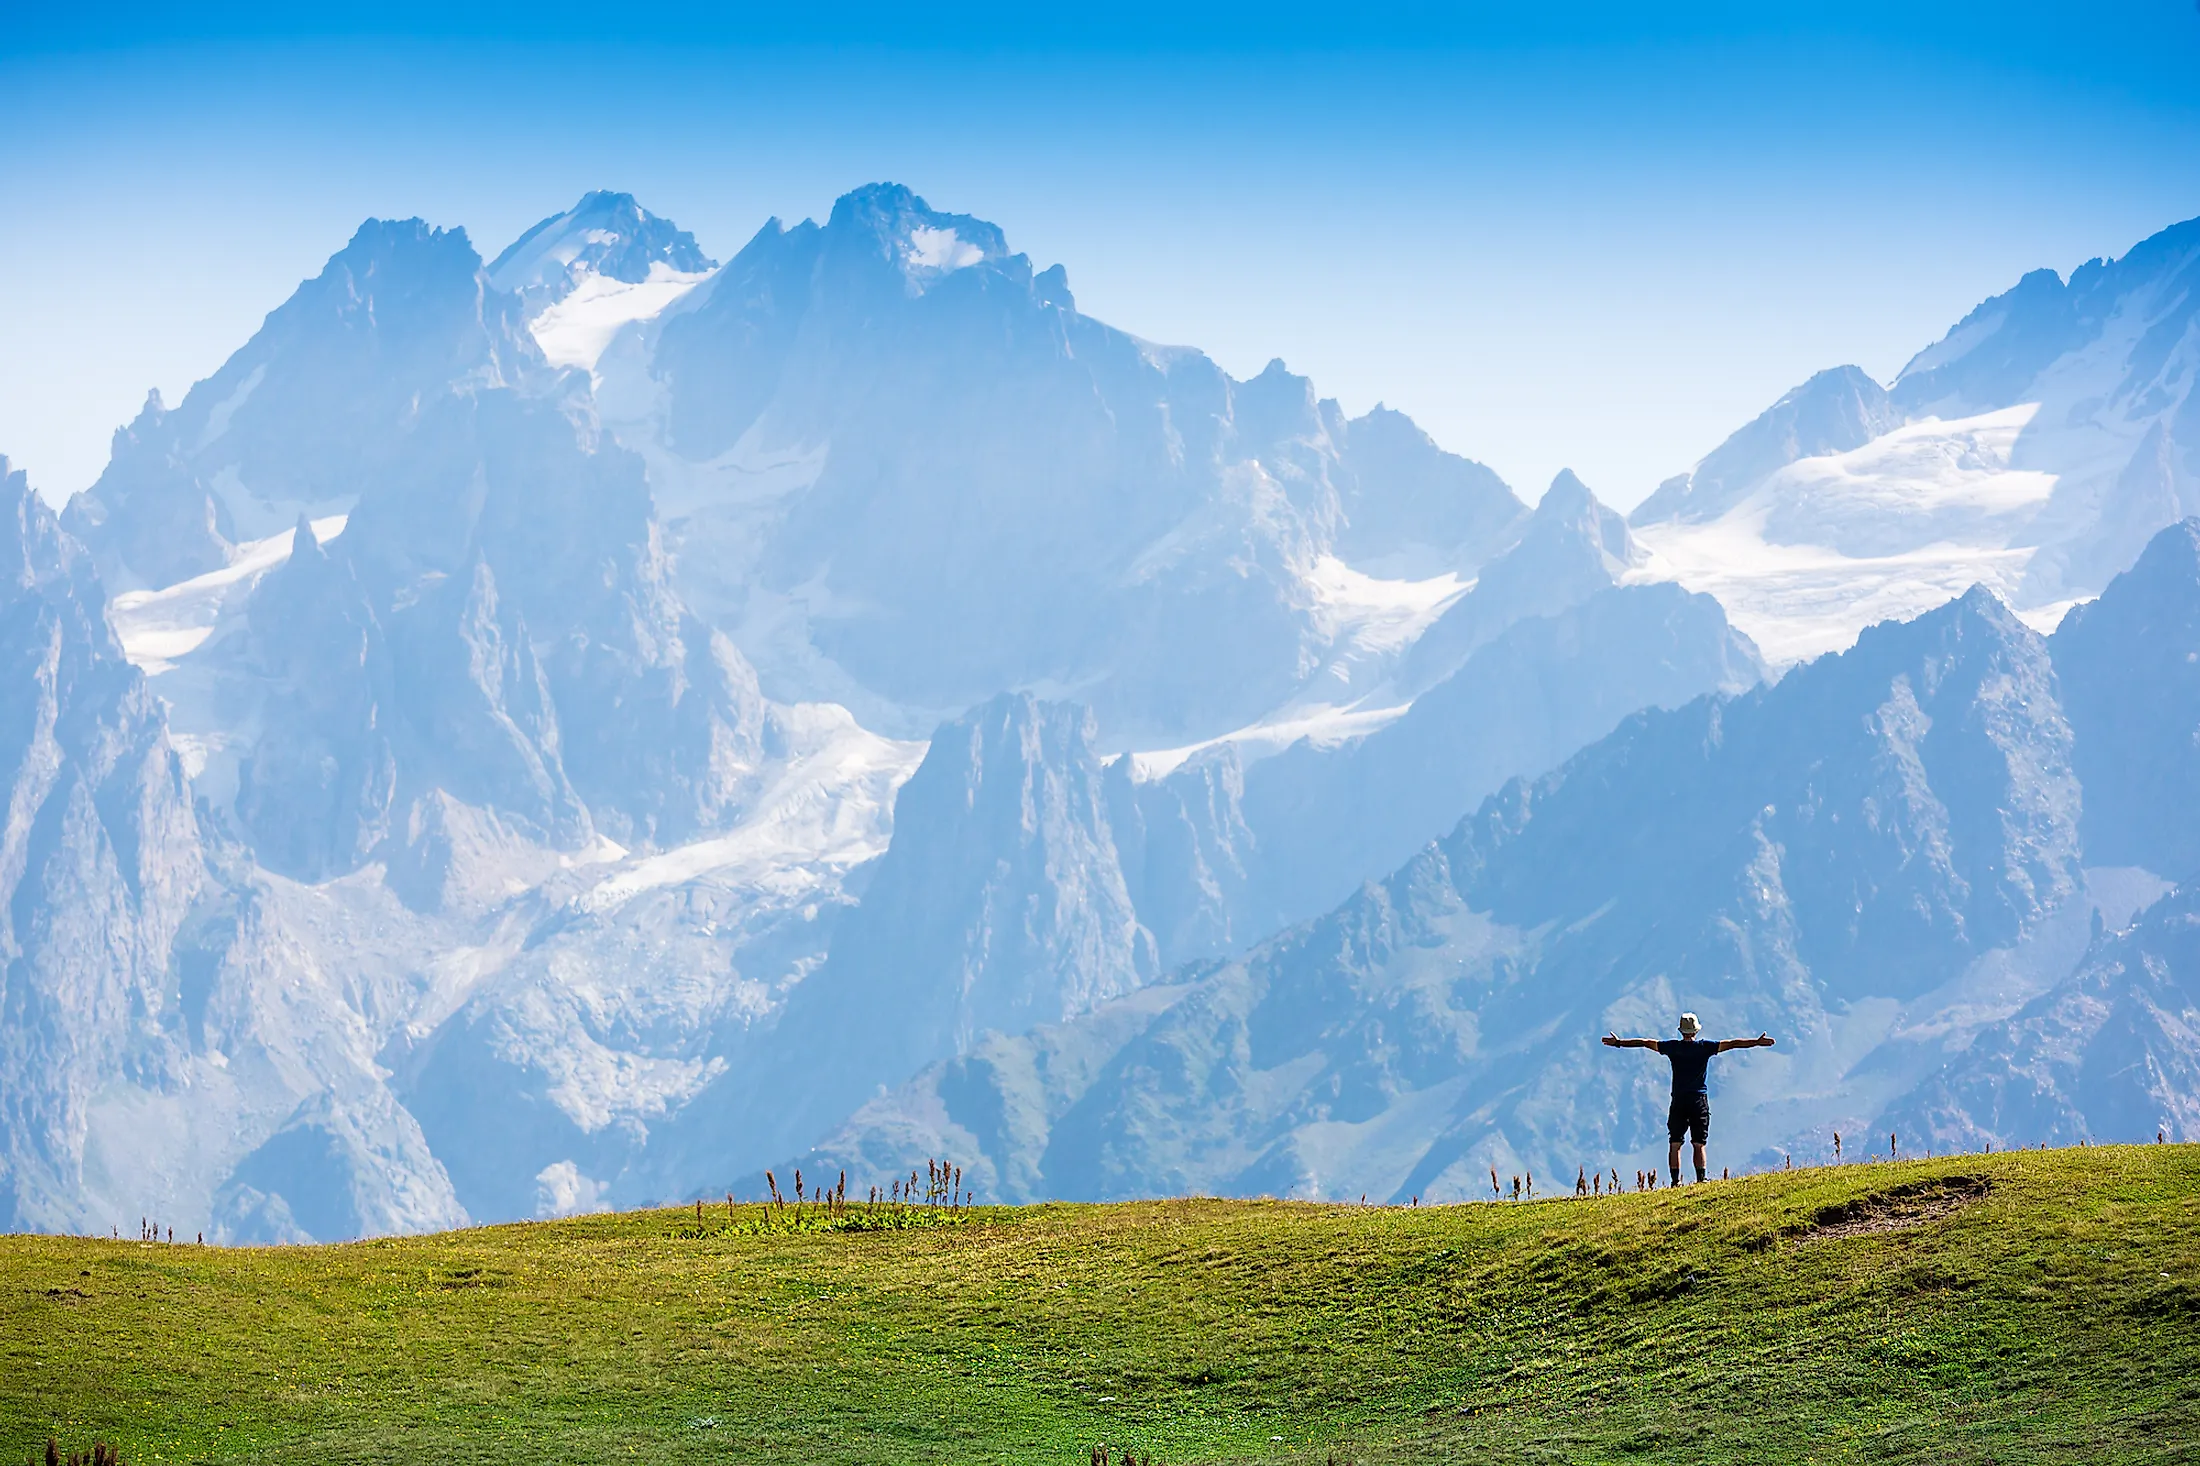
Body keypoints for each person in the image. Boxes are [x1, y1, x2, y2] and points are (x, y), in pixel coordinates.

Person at [1602, 1013, 1774, 1185]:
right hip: (1698, 1099)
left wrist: (1619, 1043)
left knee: (1675, 1143)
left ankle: (1675, 1182)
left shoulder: (1672, 1047)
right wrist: (1756, 1042)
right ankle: (1701, 1179)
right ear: (1696, 1030)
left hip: (1679, 1099)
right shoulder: (1705, 1047)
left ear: (1681, 1030)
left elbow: (1645, 1042)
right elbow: (1733, 1043)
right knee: (1699, 1143)